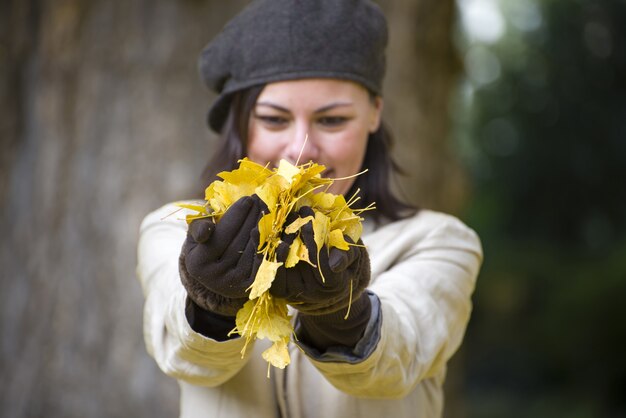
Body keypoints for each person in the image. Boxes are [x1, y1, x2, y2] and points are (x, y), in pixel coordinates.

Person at [136, 1, 483, 417]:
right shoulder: (177, 230)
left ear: (375, 113)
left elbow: (401, 355)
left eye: (332, 120)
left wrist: (342, 315)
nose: (301, 150)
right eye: (274, 120)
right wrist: (210, 303)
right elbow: (183, 354)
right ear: (241, 122)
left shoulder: (440, 241)